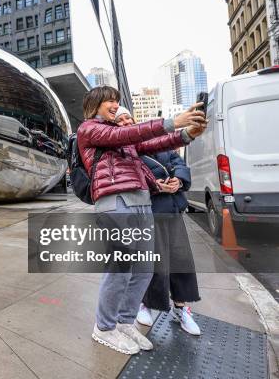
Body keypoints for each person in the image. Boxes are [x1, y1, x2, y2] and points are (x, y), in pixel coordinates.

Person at [76, 86, 206, 355]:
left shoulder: (120, 137)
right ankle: (104, 327)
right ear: (94, 105)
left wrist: (185, 134)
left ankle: (124, 322)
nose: (115, 105)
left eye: (117, 101)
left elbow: (154, 143)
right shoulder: (90, 129)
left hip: (142, 202)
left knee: (144, 269)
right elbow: (132, 132)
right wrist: (172, 122)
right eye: (110, 101)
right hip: (115, 203)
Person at [114, 107, 202, 336]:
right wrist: (156, 186)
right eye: (119, 120)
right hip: (149, 212)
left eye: (127, 118)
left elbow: (178, 161)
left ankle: (182, 307)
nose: (125, 122)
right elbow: (128, 179)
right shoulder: (123, 149)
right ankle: (147, 304)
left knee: (181, 260)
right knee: (153, 263)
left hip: (173, 209)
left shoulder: (158, 140)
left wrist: (178, 181)